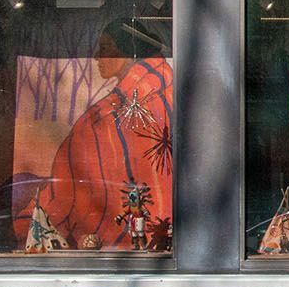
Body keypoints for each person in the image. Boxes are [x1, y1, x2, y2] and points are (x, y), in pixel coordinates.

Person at [17, 17, 174, 252]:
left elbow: (65, 189)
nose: (97, 57)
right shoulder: (174, 94)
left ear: (128, 51)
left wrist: (24, 223)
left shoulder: (100, 120)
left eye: (106, 48)